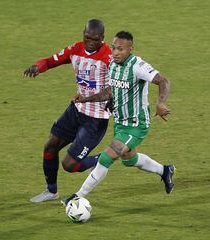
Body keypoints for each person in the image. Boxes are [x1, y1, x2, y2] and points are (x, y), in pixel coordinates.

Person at [61, 31, 175, 205]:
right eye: (114, 48)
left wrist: (160, 103)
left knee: (107, 158)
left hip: (136, 125)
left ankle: (78, 196)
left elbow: (163, 81)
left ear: (130, 49)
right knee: (130, 160)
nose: (115, 52)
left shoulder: (138, 65)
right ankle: (165, 170)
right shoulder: (113, 65)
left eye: (120, 49)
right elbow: (110, 91)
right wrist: (86, 98)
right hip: (121, 124)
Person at [23, 19, 112, 203]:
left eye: (94, 39)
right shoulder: (75, 49)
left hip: (95, 119)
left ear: (102, 38)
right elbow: (51, 61)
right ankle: (51, 191)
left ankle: (101, 160)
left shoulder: (108, 58)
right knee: (50, 147)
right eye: (87, 37)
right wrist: (38, 67)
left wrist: (107, 100)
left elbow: (113, 89)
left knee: (70, 165)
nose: (89, 42)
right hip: (76, 110)